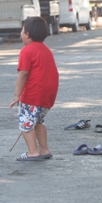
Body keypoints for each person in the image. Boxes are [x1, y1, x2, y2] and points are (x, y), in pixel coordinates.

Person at [9, 16, 59, 161]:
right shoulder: (46, 50)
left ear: (27, 34)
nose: (21, 33)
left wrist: (17, 95)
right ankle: (44, 149)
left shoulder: (27, 51)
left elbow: (23, 74)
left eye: (22, 30)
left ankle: (32, 152)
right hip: (48, 94)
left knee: (26, 122)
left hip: (33, 94)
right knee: (38, 121)